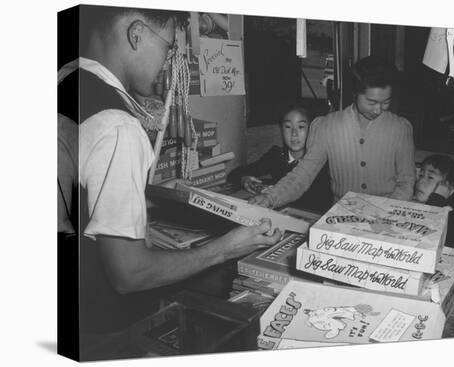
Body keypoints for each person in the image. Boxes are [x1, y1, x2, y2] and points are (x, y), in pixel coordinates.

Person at [59, 6, 281, 333]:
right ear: (136, 34)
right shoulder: (117, 126)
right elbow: (129, 274)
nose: (168, 62)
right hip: (97, 326)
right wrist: (226, 248)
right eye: (168, 47)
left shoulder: (63, 79)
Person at [250, 56, 416, 209]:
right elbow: (303, 174)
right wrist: (270, 197)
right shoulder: (327, 126)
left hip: (386, 217)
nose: (379, 109)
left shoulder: (400, 128)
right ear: (355, 93)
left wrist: (383, 212)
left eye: (386, 102)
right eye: (371, 102)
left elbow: (406, 183)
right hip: (340, 218)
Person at [227, 105, 332, 212]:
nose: (294, 134)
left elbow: (322, 201)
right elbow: (235, 173)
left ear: (312, 130)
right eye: (288, 127)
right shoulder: (276, 156)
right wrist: (244, 179)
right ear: (281, 130)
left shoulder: (321, 161)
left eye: (301, 127)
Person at [414, 154, 454, 251]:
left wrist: (438, 198)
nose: (421, 181)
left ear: (448, 187)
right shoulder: (410, 202)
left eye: (430, 177)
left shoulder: (449, 214)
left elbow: (429, 230)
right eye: (421, 175)